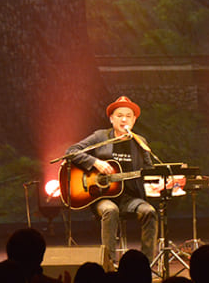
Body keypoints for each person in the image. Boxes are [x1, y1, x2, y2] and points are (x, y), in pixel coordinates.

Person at [65, 96, 159, 271]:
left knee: (150, 212)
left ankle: (146, 265)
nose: (124, 119)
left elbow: (149, 171)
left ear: (134, 119)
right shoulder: (101, 136)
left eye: (128, 116)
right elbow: (71, 152)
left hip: (130, 198)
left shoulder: (140, 142)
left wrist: (159, 184)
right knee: (110, 210)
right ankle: (109, 265)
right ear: (111, 118)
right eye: (119, 115)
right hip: (102, 197)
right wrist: (95, 162)